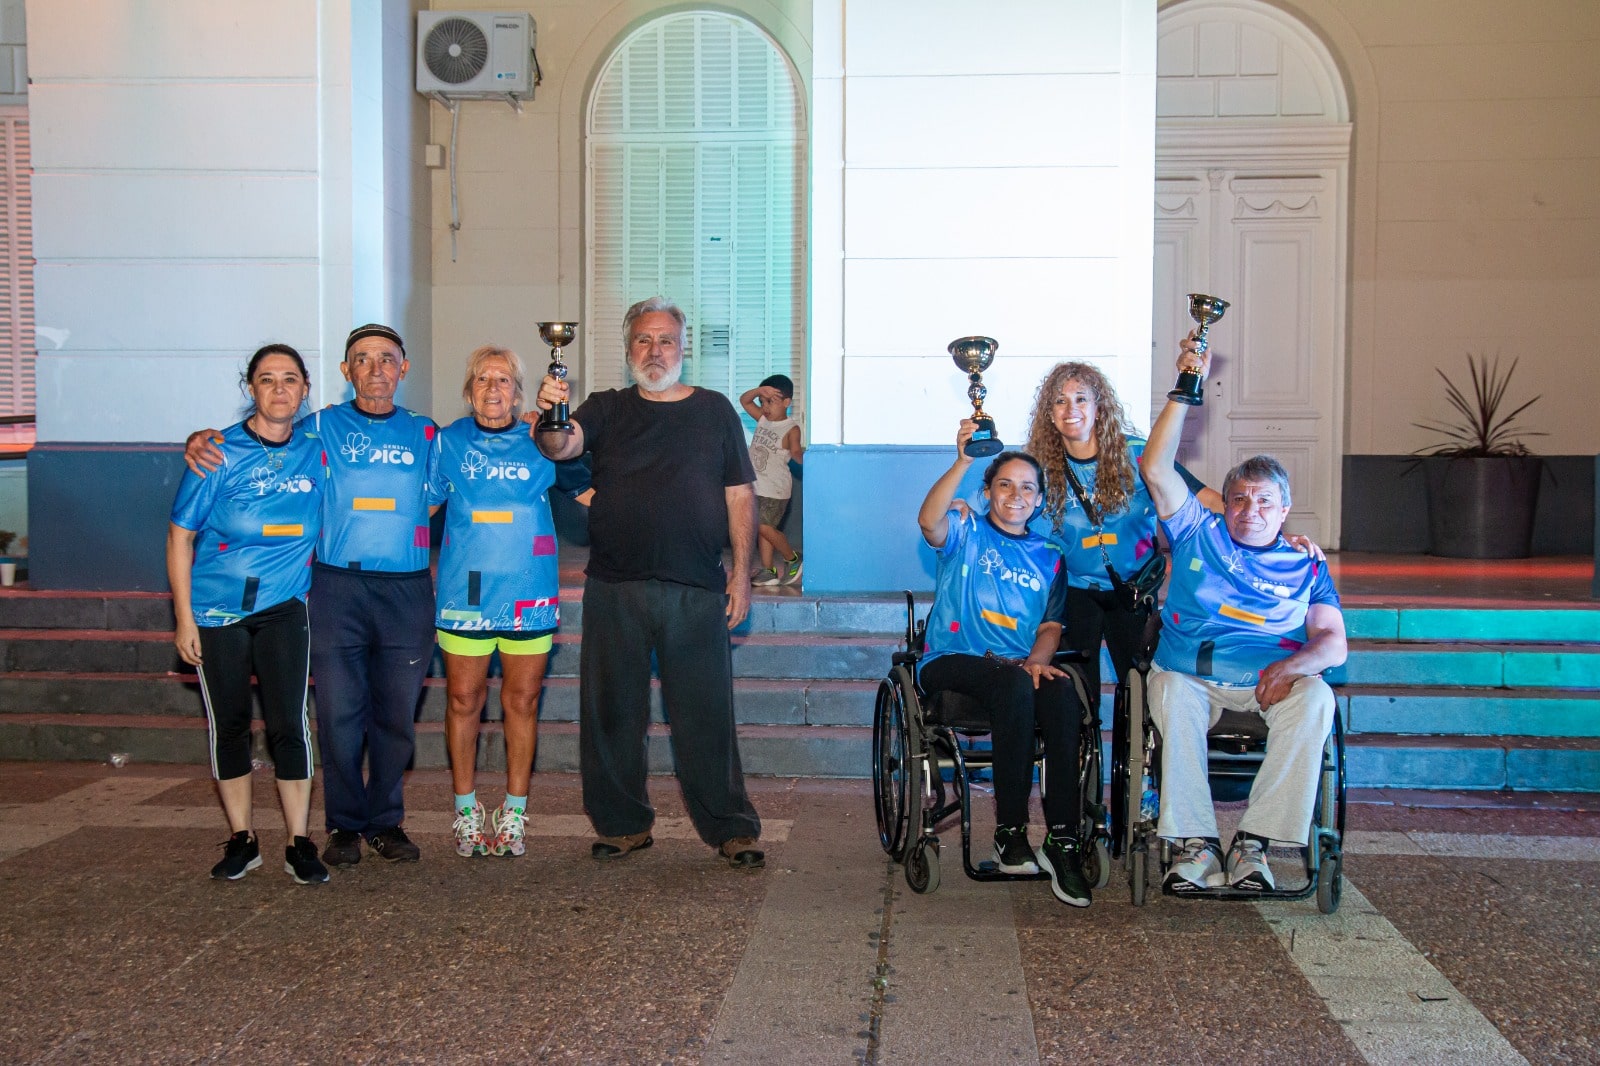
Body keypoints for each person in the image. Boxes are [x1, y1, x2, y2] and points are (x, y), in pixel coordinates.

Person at [186, 324, 437, 867]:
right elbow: (259, 435)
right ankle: (344, 825)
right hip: (335, 588)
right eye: (362, 360)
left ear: (403, 368)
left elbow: (438, 497)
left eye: (387, 359)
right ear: (345, 372)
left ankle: (387, 821)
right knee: (340, 712)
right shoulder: (316, 428)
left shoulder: (426, 433)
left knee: (396, 714)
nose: (375, 369)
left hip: (407, 589)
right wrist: (203, 439)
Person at [533, 295, 764, 869]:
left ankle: (730, 827)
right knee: (612, 714)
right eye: (644, 339)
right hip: (616, 585)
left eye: (665, 340)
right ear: (628, 347)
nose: (654, 350)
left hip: (695, 587)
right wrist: (551, 416)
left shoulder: (714, 411)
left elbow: (740, 495)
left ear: (682, 347)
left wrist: (742, 572)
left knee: (706, 714)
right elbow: (562, 447)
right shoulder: (607, 407)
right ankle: (622, 824)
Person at [1140, 337, 1348, 892]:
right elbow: (1155, 466)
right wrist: (1187, 385)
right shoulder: (1195, 533)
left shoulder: (1306, 565)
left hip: (1270, 683)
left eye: (1263, 502)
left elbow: (1333, 641)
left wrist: (1293, 667)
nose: (1249, 511)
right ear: (1222, 503)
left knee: (1319, 698)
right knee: (1170, 693)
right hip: (1193, 675)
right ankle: (1197, 844)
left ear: (1284, 510)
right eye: (1238, 499)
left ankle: (1255, 844)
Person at [1023, 363, 1319, 712]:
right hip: (1075, 589)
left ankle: (1146, 761)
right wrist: (963, 512)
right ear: (1050, 412)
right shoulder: (1038, 466)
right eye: (1060, 401)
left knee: (1142, 693)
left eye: (1081, 399)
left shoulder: (1137, 454)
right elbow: (1009, 514)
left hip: (1132, 589)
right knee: (1074, 693)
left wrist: (1274, 534)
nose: (1071, 409)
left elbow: (1204, 499)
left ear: (1099, 406)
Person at [167, 344, 327, 883]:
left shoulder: (318, 446)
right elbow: (180, 535)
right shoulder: (217, 453)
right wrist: (185, 619)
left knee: (290, 725)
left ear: (306, 388)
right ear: (250, 389)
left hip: (284, 609)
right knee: (229, 724)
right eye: (266, 379)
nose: (279, 389)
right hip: (217, 613)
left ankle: (300, 840)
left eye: (289, 379)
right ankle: (243, 838)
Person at [917, 426, 1092, 907]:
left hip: (1015, 670)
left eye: (1027, 487)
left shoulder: (1050, 556)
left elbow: (1051, 628)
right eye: (1005, 485)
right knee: (1016, 684)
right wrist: (962, 461)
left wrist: (1038, 664)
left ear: (1039, 500)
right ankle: (1010, 831)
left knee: (1060, 690)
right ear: (988, 490)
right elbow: (928, 520)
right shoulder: (965, 530)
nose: (1016, 495)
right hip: (951, 661)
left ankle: (1062, 838)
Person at [430, 346, 587, 858]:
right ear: (467, 389)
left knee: (521, 702)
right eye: (482, 379)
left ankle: (515, 812)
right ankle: (466, 809)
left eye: (504, 380)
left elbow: (589, 487)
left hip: (529, 593)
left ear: (519, 393)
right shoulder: (446, 442)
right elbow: (415, 503)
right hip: (464, 596)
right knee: (462, 701)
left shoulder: (543, 442)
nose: (493, 389)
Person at [739, 374, 803, 587]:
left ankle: (793, 558)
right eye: (763, 402)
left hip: (775, 490)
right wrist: (759, 391)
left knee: (761, 525)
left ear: (786, 402)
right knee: (761, 529)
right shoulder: (763, 420)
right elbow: (744, 400)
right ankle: (769, 571)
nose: (765, 407)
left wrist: (808, 463)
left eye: (771, 402)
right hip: (756, 486)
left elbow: (795, 452)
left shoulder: (791, 428)